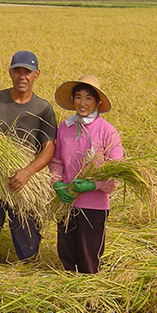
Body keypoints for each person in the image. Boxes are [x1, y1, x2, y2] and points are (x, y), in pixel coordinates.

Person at [0, 51, 57, 272]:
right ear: (10, 73)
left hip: (26, 181)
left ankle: (29, 273)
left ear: (37, 74)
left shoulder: (43, 108)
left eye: (27, 71)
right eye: (17, 71)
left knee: (27, 233)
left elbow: (49, 148)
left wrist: (27, 172)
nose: (22, 76)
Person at [49, 75, 123, 274]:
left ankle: (89, 295)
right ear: (72, 100)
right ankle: (70, 292)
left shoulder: (107, 131)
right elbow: (56, 160)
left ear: (97, 102)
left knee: (88, 256)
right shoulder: (65, 127)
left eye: (89, 98)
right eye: (79, 97)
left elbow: (116, 171)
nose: (83, 103)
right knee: (66, 251)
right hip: (67, 201)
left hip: (94, 206)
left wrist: (94, 185)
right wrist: (57, 183)